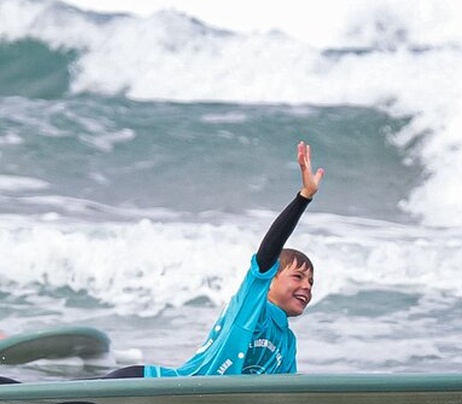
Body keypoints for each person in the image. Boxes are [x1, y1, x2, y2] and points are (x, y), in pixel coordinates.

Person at [0, 140, 322, 384]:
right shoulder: (254, 305)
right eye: (297, 277)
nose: (306, 286)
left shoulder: (288, 343)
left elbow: (283, 393)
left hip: (182, 402)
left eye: (311, 282)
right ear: (270, 281)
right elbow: (269, 249)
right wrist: (303, 197)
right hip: (147, 383)